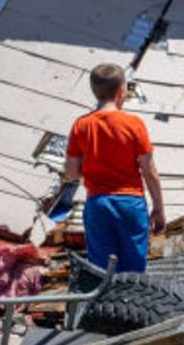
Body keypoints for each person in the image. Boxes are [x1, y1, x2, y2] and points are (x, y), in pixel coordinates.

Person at [63, 62, 165, 274]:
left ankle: (105, 307)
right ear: (121, 92)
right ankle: (130, 305)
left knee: (102, 272)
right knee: (133, 273)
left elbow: (71, 172)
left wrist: (92, 170)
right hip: (130, 202)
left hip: (98, 203)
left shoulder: (81, 125)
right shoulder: (134, 124)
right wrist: (159, 208)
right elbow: (149, 171)